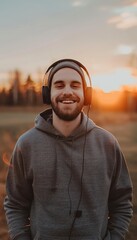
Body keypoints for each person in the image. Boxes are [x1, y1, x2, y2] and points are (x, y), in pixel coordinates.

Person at [4, 59, 133, 240]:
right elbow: (15, 204)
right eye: (59, 85)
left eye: (75, 85)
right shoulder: (26, 145)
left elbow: (122, 203)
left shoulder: (108, 144)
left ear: (86, 94)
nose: (67, 91)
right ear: (48, 94)